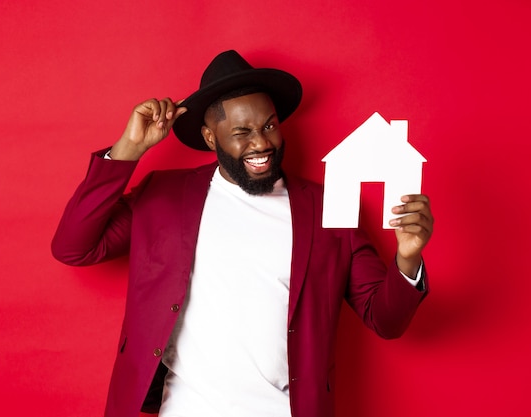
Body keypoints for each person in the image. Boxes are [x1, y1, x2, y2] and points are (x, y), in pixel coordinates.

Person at [51, 50, 433, 417]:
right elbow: (74, 247)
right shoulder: (164, 196)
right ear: (210, 137)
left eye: (269, 125)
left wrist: (408, 258)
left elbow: (385, 321)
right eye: (242, 131)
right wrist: (129, 149)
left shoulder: (327, 208)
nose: (262, 143)